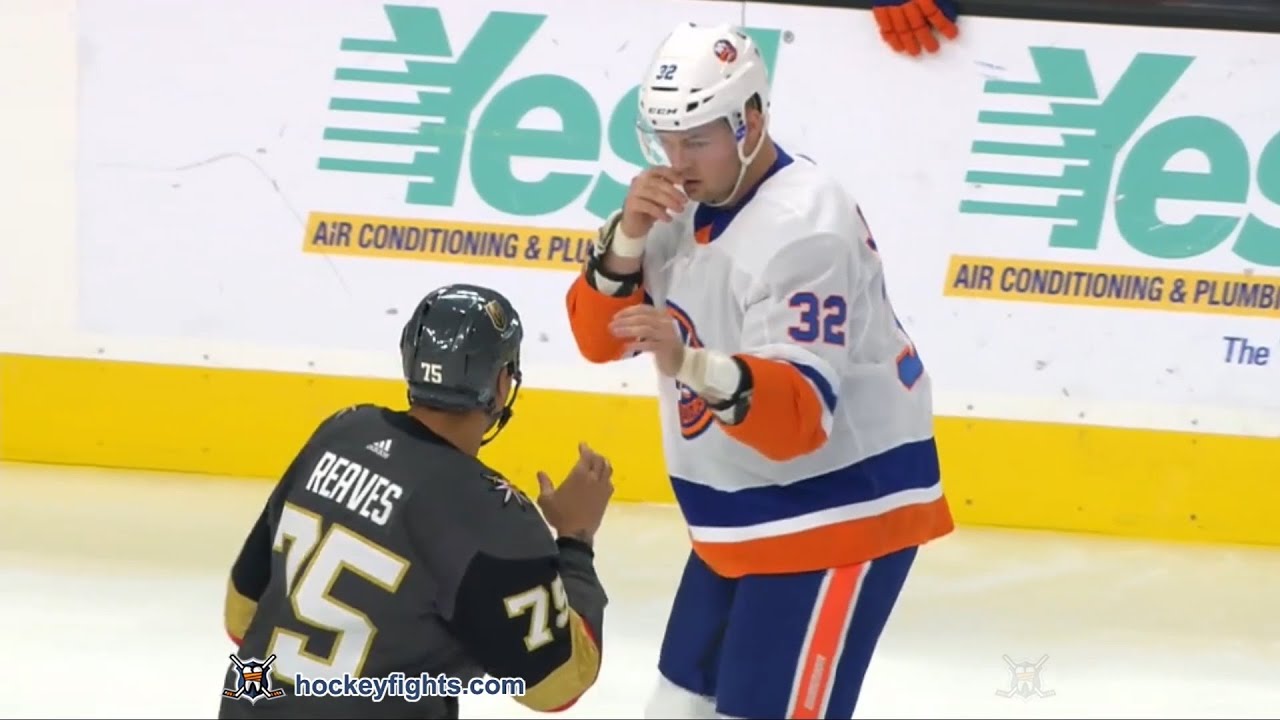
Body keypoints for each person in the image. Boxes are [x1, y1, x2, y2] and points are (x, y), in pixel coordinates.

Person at [564, 22, 955, 720]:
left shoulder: (805, 228)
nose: (677, 163)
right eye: (666, 141)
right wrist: (626, 238)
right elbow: (599, 341)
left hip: (837, 512)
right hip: (739, 519)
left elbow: (797, 422)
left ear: (749, 121)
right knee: (675, 707)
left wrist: (684, 362)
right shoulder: (675, 207)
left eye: (697, 141)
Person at [218, 283, 614, 719]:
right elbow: (557, 684)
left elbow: (241, 614)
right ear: (503, 383)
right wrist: (576, 541)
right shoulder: (493, 515)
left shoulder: (341, 432)